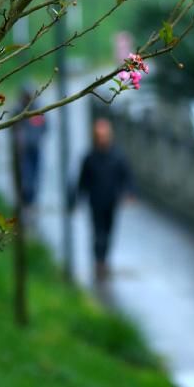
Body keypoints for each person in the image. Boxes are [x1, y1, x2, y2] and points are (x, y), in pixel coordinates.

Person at [71, 118, 134, 279]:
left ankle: (104, 259)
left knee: (108, 231)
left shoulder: (117, 156)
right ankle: (99, 261)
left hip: (111, 201)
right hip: (95, 201)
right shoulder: (90, 157)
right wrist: (76, 199)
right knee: (98, 233)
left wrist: (129, 193)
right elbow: (82, 180)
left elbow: (126, 176)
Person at [12, 86, 47, 216]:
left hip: (36, 149)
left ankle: (32, 203)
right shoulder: (18, 110)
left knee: (35, 176)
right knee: (25, 177)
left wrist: (38, 138)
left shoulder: (38, 110)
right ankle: (25, 204)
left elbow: (45, 126)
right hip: (22, 151)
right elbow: (14, 129)